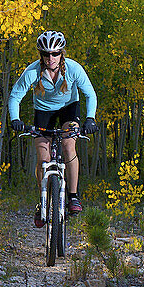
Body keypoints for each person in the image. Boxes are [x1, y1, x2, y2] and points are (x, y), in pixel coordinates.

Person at [8, 30, 97, 225]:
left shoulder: (73, 69)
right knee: (43, 158)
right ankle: (42, 200)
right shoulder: (32, 71)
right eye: (46, 54)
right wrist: (15, 119)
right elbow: (15, 96)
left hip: (69, 109)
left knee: (68, 146)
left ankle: (73, 196)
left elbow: (90, 93)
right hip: (43, 112)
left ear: (61, 53)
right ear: (41, 55)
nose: (51, 58)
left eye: (55, 53)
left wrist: (90, 119)